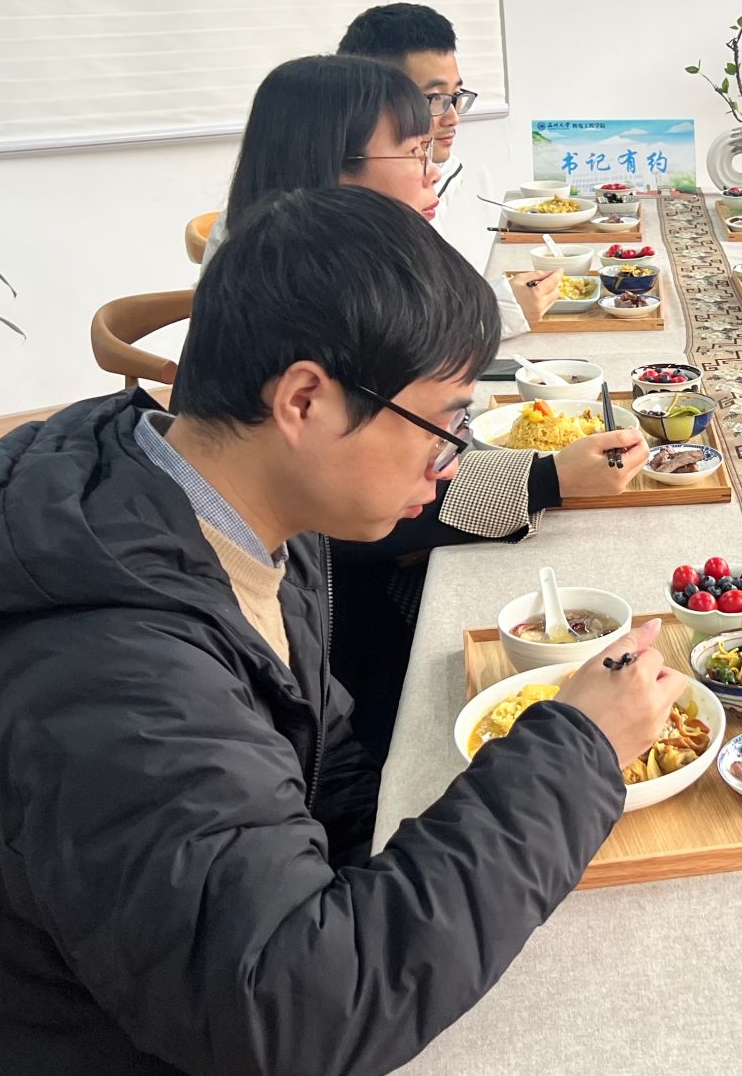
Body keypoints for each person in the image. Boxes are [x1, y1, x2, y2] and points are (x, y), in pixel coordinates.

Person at [0, 187, 683, 1076]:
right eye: (444, 424)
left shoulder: (222, 517)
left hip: (158, 1033)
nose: (451, 463)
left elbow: (318, 770)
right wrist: (570, 755)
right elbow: (296, 1026)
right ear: (302, 401)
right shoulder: (114, 680)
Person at [205, 54, 646, 754]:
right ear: (331, 166)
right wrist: (544, 480)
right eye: (414, 150)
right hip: (350, 644)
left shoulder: (301, 272)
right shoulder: (306, 308)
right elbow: (347, 515)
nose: (435, 165)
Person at [338, 2, 565, 334]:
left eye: (456, 95)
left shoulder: (434, 172)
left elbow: (430, 300)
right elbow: (404, 337)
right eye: (434, 99)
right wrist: (499, 311)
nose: (454, 116)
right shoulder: (338, 229)